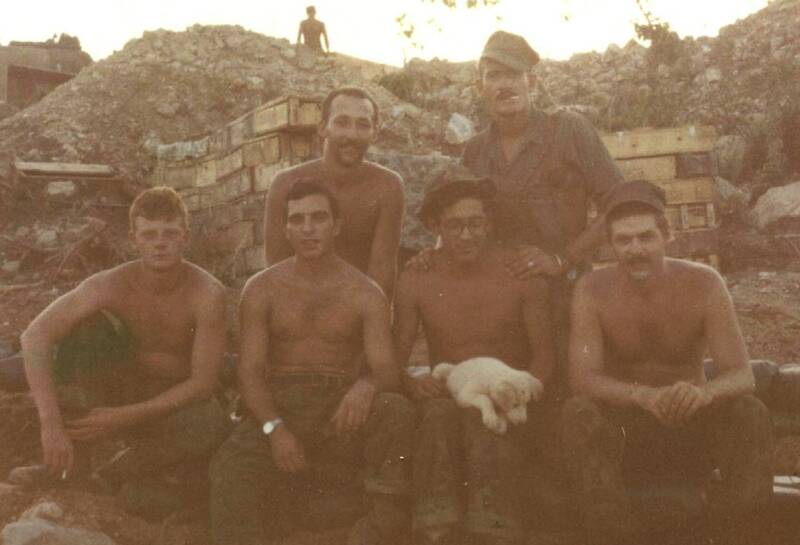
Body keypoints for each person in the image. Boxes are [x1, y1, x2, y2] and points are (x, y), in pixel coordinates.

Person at [561, 181, 774, 545]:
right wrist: (641, 395)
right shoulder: (592, 290)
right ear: (610, 245)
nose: (636, 249)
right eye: (624, 240)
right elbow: (583, 378)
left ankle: (741, 533)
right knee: (577, 412)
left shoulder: (704, 283)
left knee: (749, 411)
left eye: (646, 237)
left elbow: (742, 376)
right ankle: (613, 537)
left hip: (690, 422)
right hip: (628, 430)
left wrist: (703, 394)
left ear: (667, 235)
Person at [211, 179, 415, 545]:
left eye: (318, 218)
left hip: (338, 408)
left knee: (395, 410)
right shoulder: (262, 288)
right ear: (286, 229)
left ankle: (379, 528)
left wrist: (366, 386)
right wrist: (275, 429)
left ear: (337, 225)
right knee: (230, 468)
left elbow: (386, 369)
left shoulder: (365, 292)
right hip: (278, 404)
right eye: (297, 219)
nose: (308, 228)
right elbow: (250, 373)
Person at [12, 187, 229, 503]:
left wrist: (121, 418)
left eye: (169, 233)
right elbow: (35, 336)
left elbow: (203, 384)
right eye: (149, 234)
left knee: (209, 423)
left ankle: (114, 474)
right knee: (87, 331)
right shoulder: (110, 284)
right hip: (123, 388)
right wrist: (50, 424)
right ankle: (69, 464)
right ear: (133, 239)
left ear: (185, 236)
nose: (160, 243)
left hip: (175, 402)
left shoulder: (207, 293)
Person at [393, 167, 556, 545]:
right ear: (435, 226)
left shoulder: (520, 272)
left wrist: (521, 391)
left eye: (475, 223)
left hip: (507, 391)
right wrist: (412, 383)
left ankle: (494, 529)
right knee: (436, 418)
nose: (466, 235)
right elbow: (395, 358)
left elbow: (544, 356)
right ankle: (435, 529)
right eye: (454, 225)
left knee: (489, 427)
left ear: (490, 222)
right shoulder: (417, 278)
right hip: (451, 392)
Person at [264, 87, 404, 298]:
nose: (352, 135)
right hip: (298, 304)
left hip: (358, 306)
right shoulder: (285, 183)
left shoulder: (387, 186)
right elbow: (276, 268)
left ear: (374, 133)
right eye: (342, 122)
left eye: (363, 125)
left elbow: (382, 272)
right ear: (323, 128)